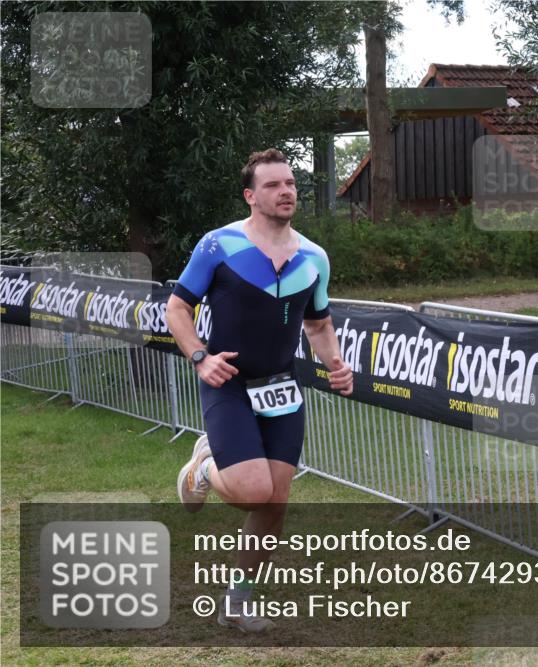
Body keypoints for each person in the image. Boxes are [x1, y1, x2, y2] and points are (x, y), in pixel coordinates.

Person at [165, 148, 353, 632]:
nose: (286, 191)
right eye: (273, 185)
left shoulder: (314, 257)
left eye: (290, 183)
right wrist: (200, 358)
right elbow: (177, 309)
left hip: (282, 388)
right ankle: (204, 463)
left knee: (274, 504)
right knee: (251, 492)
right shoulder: (218, 245)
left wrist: (335, 363)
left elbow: (319, 323)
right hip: (228, 381)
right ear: (251, 196)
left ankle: (236, 602)